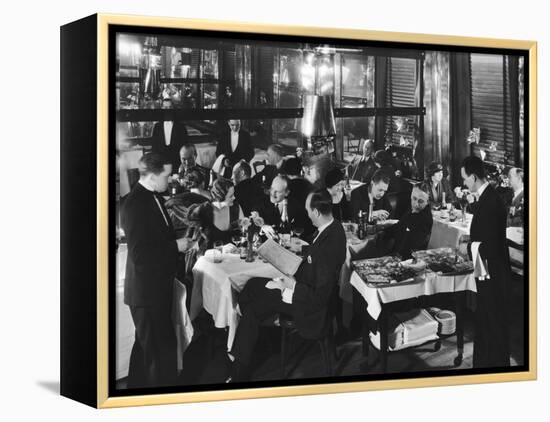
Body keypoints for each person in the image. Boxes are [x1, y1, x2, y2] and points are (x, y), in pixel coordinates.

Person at [226, 189, 347, 382]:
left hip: (310, 306)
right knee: (252, 285)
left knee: (252, 306)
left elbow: (319, 296)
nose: (307, 214)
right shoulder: (334, 228)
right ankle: (247, 342)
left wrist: (290, 285)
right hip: (304, 285)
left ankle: (239, 367)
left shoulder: (328, 246)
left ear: (316, 212)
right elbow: (316, 264)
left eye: (308, 210)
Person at [121, 152, 195, 388]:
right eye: (166, 174)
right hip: (146, 292)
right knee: (157, 352)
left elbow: (157, 238)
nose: (171, 178)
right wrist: (176, 246)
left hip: (156, 287)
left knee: (146, 347)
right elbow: (140, 255)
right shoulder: (134, 204)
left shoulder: (154, 197)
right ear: (152, 176)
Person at [458, 155, 511, 368]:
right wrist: (471, 240)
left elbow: (489, 246)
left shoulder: (490, 201)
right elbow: (486, 235)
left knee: (492, 320)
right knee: (485, 317)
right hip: (486, 268)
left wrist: (467, 247)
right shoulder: (487, 196)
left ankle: (493, 368)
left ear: (473, 176)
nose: (464, 183)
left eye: (465, 179)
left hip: (493, 271)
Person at [262, 175, 313, 240]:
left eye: (277, 191)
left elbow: (303, 228)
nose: (273, 193)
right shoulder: (262, 203)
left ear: (286, 193)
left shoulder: (296, 206)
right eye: (272, 189)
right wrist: (263, 227)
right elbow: (252, 224)